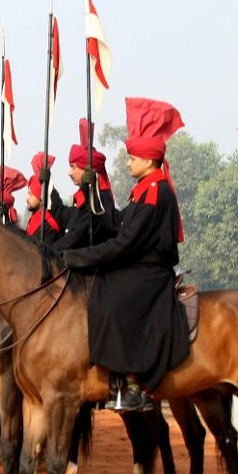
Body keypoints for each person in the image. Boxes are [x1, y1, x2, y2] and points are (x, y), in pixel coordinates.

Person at [61, 98, 190, 413]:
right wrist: (95, 193)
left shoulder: (157, 191)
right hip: (139, 263)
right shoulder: (145, 189)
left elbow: (124, 244)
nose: (128, 163)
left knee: (111, 297)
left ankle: (135, 383)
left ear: (148, 160)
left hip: (150, 269)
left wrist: (79, 258)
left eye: (132, 158)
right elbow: (117, 224)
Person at [54, 119, 120, 252]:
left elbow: (76, 236)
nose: (69, 173)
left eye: (73, 167)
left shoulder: (99, 199)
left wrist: (48, 252)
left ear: (87, 169)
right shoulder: (81, 200)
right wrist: (47, 186)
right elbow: (61, 214)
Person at [22, 152, 63, 243]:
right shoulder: (33, 220)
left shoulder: (49, 225)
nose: (27, 198)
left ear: (40, 196)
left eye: (31, 194)